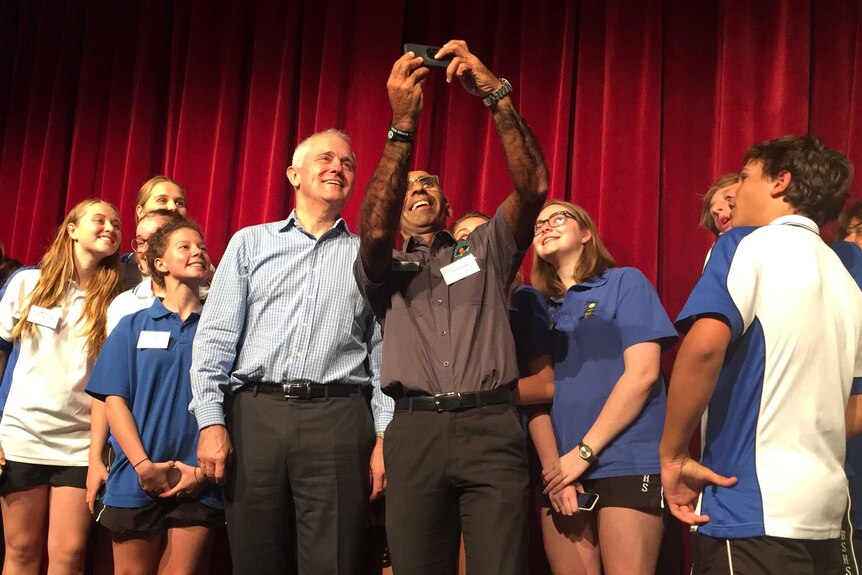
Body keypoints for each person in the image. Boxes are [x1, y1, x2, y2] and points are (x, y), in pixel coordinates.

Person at [354, 40, 549, 574]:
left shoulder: (485, 249)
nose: (419, 188)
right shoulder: (382, 263)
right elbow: (372, 227)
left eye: (429, 183)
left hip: (491, 425)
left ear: (446, 203)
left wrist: (497, 97)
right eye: (410, 185)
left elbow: (533, 185)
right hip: (414, 431)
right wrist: (402, 130)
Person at [190, 129, 391, 574]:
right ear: (293, 174)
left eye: (347, 163)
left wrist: (383, 438)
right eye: (325, 158)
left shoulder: (368, 256)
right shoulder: (249, 242)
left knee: (333, 561)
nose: (338, 167)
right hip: (255, 417)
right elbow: (215, 341)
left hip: (338, 420)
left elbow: (383, 357)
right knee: (255, 558)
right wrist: (210, 422)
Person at [660, 135, 862, 574]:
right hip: (826, 513)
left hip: (750, 508)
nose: (736, 196)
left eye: (746, 177)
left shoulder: (742, 246)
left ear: (780, 182)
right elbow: (856, 407)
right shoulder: (847, 281)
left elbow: (704, 346)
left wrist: (673, 455)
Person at [530, 201, 677, 575]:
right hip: (560, 469)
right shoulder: (533, 308)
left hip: (626, 459)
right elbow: (536, 400)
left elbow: (643, 374)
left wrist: (583, 453)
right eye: (538, 224)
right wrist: (558, 471)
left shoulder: (624, 282)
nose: (546, 225)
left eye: (558, 217)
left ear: (586, 233)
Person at [86, 220, 222, 574]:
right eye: (185, 246)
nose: (198, 252)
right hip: (136, 476)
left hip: (198, 476)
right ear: (159, 263)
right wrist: (143, 466)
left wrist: (201, 474)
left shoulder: (220, 328)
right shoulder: (132, 325)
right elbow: (114, 400)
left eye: (202, 247)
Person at [0, 199, 122, 574]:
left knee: (69, 554)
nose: (110, 229)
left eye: (116, 225)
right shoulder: (26, 283)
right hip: (21, 436)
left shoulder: (116, 299)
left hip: (79, 443)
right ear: (71, 229)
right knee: (21, 551)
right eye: (99, 220)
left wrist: (98, 452)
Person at [119, 176, 189, 291]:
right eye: (162, 200)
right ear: (140, 211)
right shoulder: (119, 270)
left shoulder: (199, 267)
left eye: (179, 203)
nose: (173, 207)